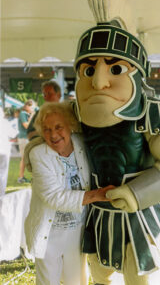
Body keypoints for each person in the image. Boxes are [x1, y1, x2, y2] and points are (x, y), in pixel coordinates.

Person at [71, 0, 160, 285]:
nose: (99, 81)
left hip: (141, 220)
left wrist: (136, 193)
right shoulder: (72, 114)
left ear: (138, 76)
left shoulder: (157, 117)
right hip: (96, 216)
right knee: (100, 276)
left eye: (115, 67)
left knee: (142, 276)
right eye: (88, 70)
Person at [24, 101, 113, 285]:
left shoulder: (81, 142)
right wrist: (98, 195)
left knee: (77, 281)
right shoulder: (39, 154)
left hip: (77, 232)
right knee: (48, 281)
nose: (53, 134)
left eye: (58, 127)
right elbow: (54, 197)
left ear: (70, 126)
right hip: (49, 232)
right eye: (46, 129)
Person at [17, 100, 35, 183]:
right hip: (24, 138)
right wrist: (31, 116)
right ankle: (21, 178)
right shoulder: (23, 114)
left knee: (30, 158)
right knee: (24, 158)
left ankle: (28, 178)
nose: (32, 108)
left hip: (28, 138)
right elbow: (26, 126)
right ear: (27, 106)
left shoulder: (27, 114)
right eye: (31, 106)